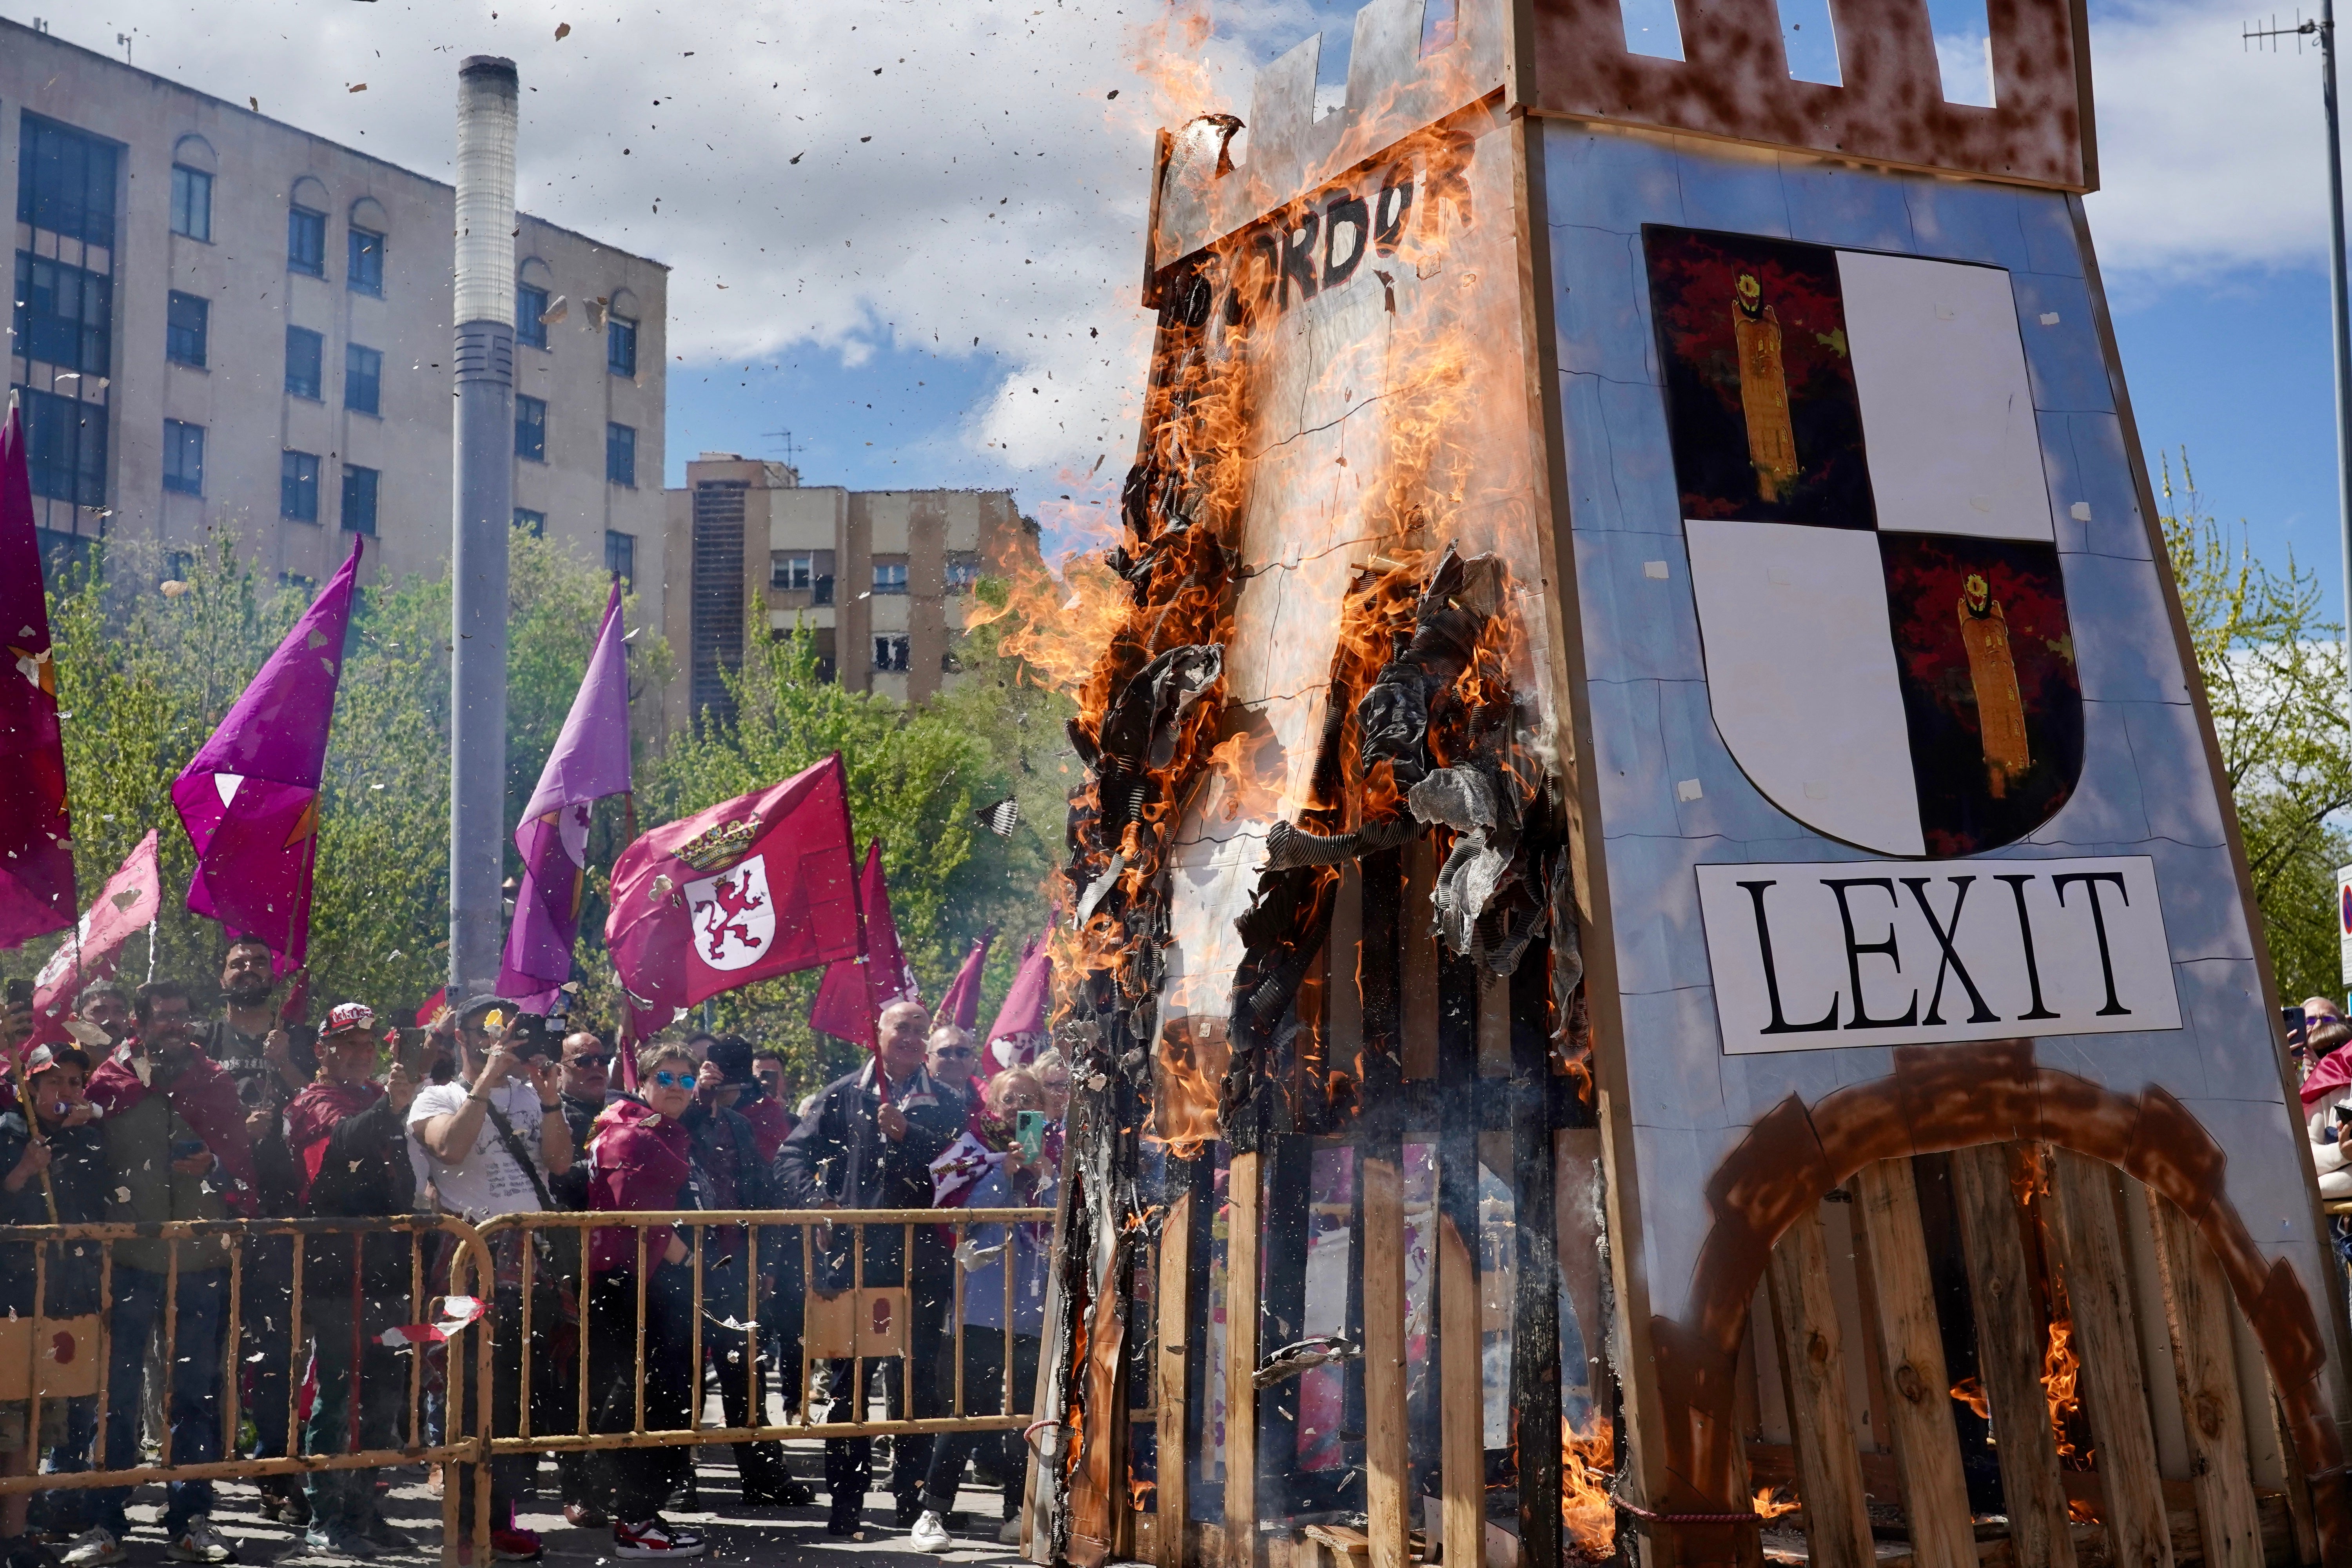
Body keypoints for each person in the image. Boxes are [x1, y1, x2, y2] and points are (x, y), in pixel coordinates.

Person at [76, 982, 255, 1568]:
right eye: (163, 1018)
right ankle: (105, 1521)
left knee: (195, 1397)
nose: (174, 1026)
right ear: (139, 1022)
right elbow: (83, 1161)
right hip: (128, 1263)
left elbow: (242, 1166)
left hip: (199, 1262)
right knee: (116, 1397)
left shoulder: (212, 1079)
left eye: (182, 1016)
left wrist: (216, 1163)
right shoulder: (110, 1081)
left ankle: (191, 1517)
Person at [776, 1000, 962, 1536]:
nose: (910, 1037)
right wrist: (816, 1204)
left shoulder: (948, 1099)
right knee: (849, 1387)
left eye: (919, 1029)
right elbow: (791, 1156)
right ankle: (847, 1505)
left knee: (917, 1386)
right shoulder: (842, 1094)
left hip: (922, 1264)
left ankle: (912, 1503)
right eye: (900, 1027)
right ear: (877, 1033)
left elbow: (962, 1166)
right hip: (853, 1265)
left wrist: (913, 1137)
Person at [407, 1001, 572, 1564]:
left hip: (527, 1262)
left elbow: (560, 1161)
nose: (497, 1042)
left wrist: (549, 1097)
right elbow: (450, 1147)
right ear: (460, 1037)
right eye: (485, 1033)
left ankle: (500, 1518)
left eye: (507, 1033)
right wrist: (486, 1080)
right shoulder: (437, 1096)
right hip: (465, 1260)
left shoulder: (530, 1093)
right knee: (462, 1393)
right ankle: (462, 1526)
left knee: (513, 1396)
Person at [284, 1005, 419, 1555]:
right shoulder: (310, 1100)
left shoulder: (376, 1101)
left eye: (369, 1045)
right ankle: (326, 1514)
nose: (362, 1053)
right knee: (338, 1393)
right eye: (349, 1044)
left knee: (385, 1396)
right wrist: (393, 1104)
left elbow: (402, 1175)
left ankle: (366, 1508)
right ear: (322, 1051)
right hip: (335, 1269)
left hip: (386, 1267)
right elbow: (346, 1144)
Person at [910, 1068, 1054, 1551]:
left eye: (1029, 1097)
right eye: (1010, 1096)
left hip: (1035, 1308)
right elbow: (950, 1197)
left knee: (1022, 1415)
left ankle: (1018, 1511)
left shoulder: (1052, 1149)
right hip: (982, 1303)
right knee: (966, 1410)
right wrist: (1002, 1171)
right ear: (992, 1102)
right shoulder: (973, 1146)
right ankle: (932, 1512)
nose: (1019, 1105)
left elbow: (1065, 1212)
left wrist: (1044, 1177)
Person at [583, 1044, 711, 1559]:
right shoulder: (633, 1136)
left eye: (686, 1079)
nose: (678, 1088)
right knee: (650, 1398)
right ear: (643, 1080)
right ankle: (634, 1519)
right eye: (667, 1077)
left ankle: (638, 1513)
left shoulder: (646, 1128)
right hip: (629, 1283)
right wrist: (687, 1257)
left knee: (656, 1395)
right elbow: (631, 1214)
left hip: (641, 1282)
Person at [203, 938, 314, 1528]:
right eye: (237, 962)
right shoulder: (202, 1039)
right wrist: (233, 1134)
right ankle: (187, 1484)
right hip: (207, 1219)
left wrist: (290, 1068)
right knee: (195, 1353)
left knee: (271, 1353)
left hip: (276, 1222)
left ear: (274, 975)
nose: (248, 969)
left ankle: (275, 1471)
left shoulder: (298, 1037)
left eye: (258, 962)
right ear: (221, 975)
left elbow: (327, 1110)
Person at [675, 1041, 807, 1508]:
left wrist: (768, 1261)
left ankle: (761, 1474)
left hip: (735, 1268)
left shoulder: (740, 1125)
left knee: (745, 1370)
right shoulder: (667, 1121)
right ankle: (675, 1477)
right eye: (689, 1079)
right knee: (679, 1374)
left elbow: (764, 1195)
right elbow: (673, 1149)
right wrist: (696, 1106)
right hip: (679, 1268)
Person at [21, 1043, 109, 1542]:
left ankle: (65, 1497)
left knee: (76, 1395)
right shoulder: (16, 1131)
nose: (66, 1092)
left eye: (75, 1083)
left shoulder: (91, 1139)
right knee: (26, 1398)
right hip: (23, 1287)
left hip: (78, 1285)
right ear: (32, 1087)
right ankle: (24, 1506)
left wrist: (80, 1135)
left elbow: (101, 1192)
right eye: (55, 1083)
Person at [546, 1029, 616, 1530]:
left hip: (616, 1266)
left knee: (613, 1378)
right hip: (567, 1266)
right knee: (573, 1383)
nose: (596, 1066)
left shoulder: (622, 1112)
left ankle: (614, 1480)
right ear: (563, 1067)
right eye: (584, 1059)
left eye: (602, 1058)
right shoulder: (550, 1114)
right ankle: (576, 1486)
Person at [925, 1027, 981, 1125]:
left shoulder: (988, 1105)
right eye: (944, 1052)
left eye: (962, 1053)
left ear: (973, 1061)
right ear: (927, 1060)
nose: (953, 1059)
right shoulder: (913, 1100)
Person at [71, 984, 129, 1050]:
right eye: (100, 1011)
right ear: (76, 1020)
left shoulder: (138, 1058)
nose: (111, 1019)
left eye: (119, 1012)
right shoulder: (60, 1058)